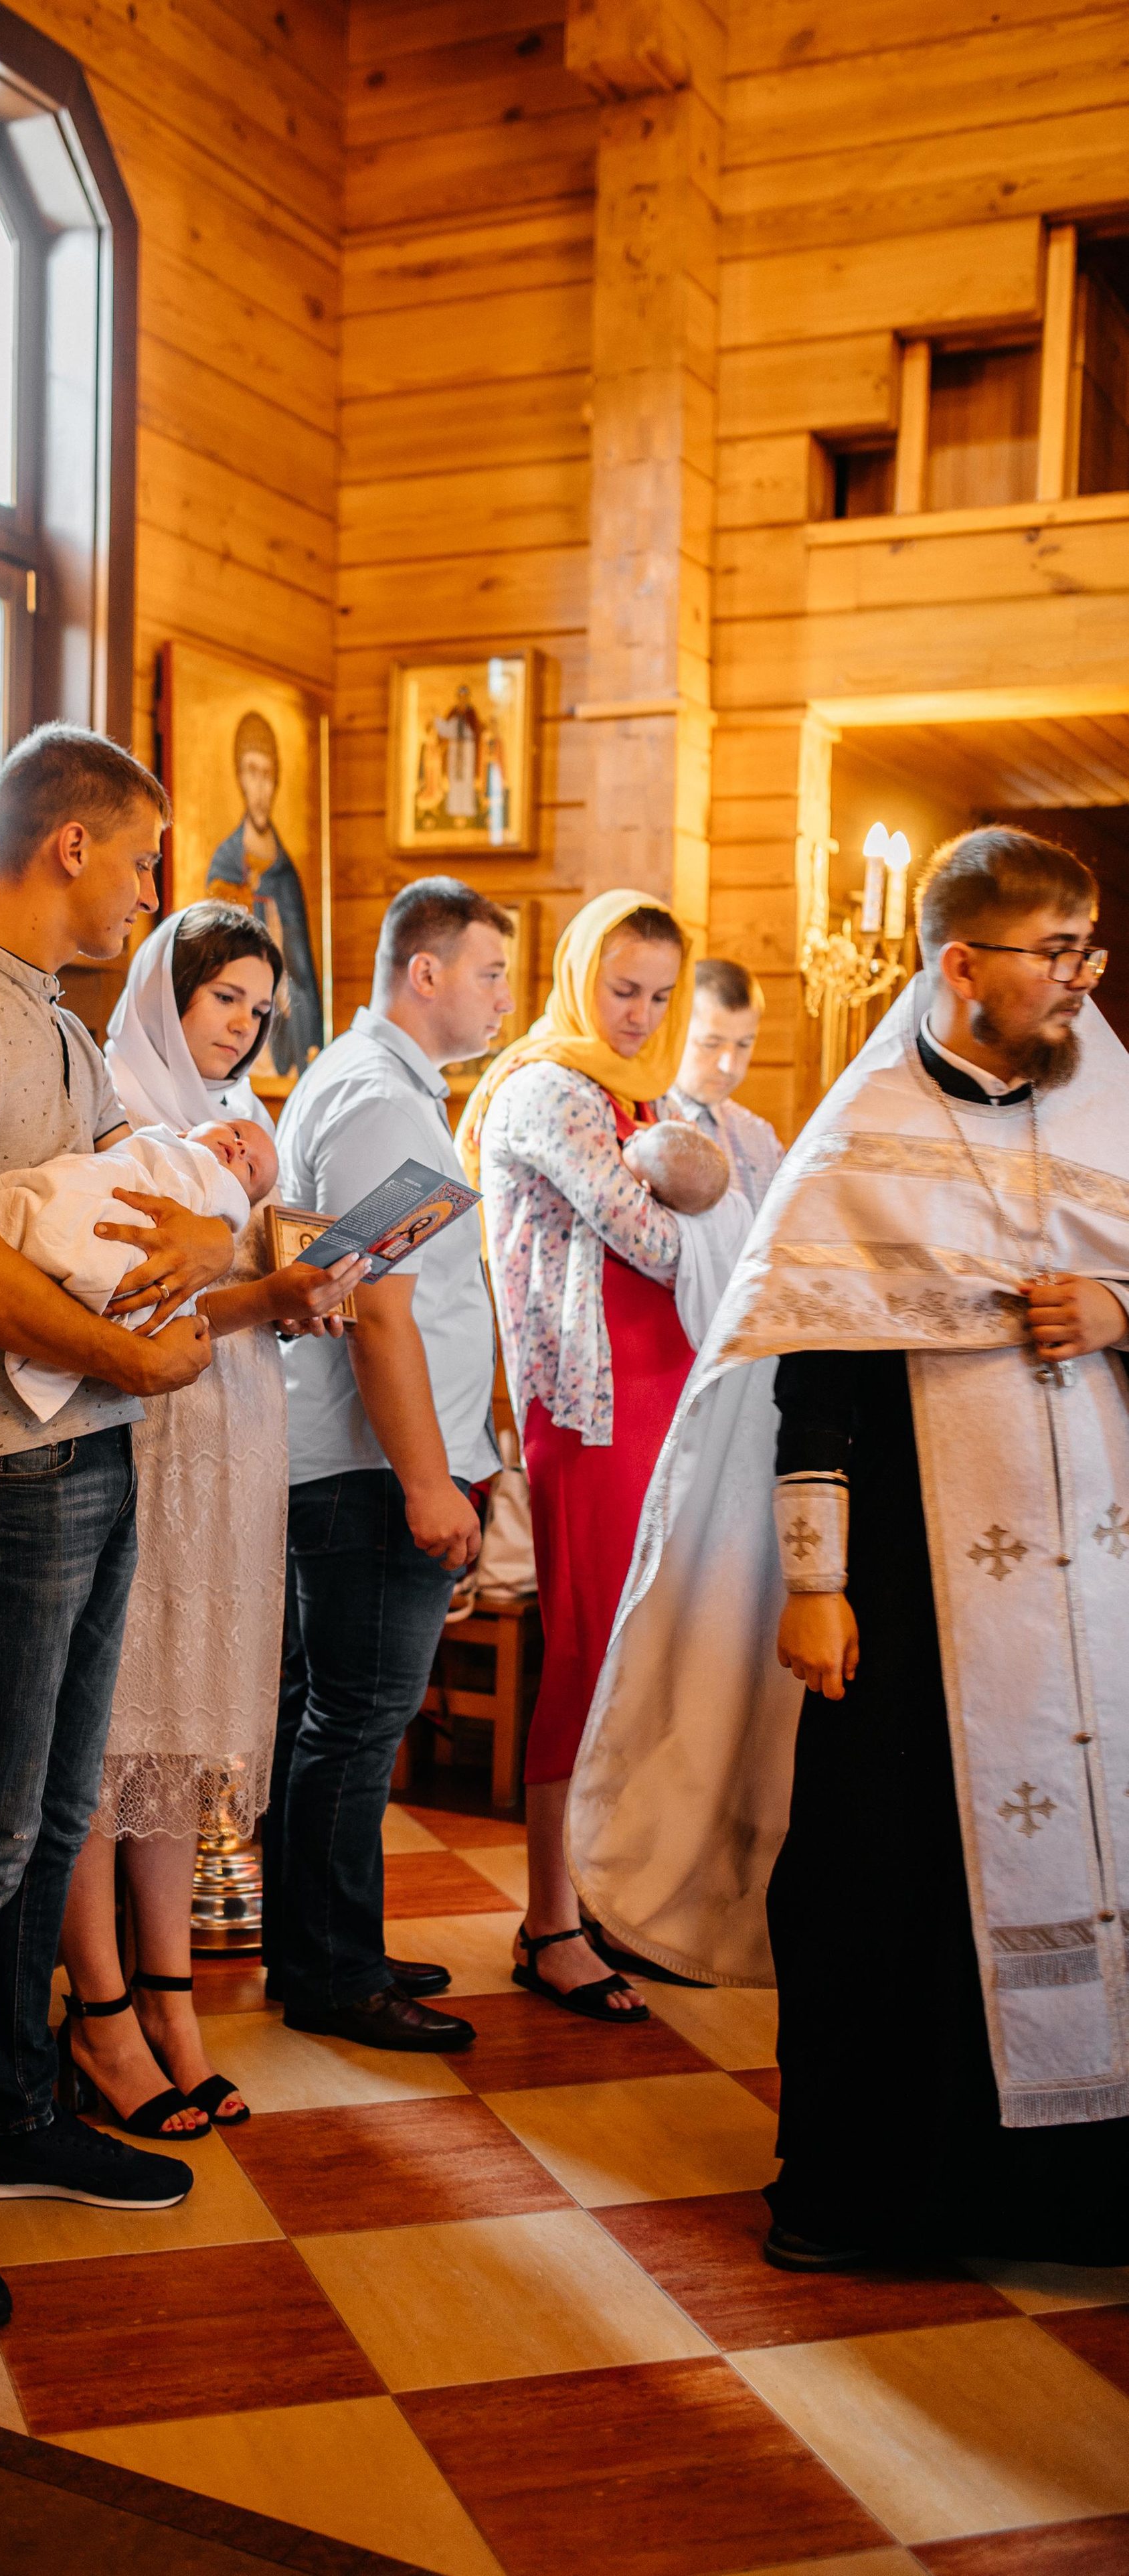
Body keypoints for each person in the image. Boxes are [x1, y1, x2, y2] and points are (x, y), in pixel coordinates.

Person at [572, 827, 1129, 2271]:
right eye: (1053, 954)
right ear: (961, 967)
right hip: (912, 1589)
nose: (1081, 979)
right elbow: (809, 1376)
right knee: (880, 1878)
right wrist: (813, 1585)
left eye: (1087, 950)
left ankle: (1083, 2200)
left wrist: (1118, 1313)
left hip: (1099, 1575)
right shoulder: (863, 1129)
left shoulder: (1105, 1106)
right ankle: (871, 2189)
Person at [0, 725, 237, 2337]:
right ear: (70, 845)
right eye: (142, 857)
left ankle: (17, 2102)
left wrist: (205, 1240)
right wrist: (143, 1351)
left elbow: (129, 1219)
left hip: (90, 1443)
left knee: (58, 1798)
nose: (153, 890)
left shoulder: (67, 1030)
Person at [58, 902, 365, 2138]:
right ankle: (102, 2003)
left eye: (257, 1003)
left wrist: (295, 1291)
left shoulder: (253, 1127)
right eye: (223, 996)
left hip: (234, 1438)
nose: (242, 1023)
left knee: (182, 1747)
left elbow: (234, 1286)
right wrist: (264, 1291)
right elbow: (136, 1308)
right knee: (117, 1731)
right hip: (147, 1434)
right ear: (165, 991)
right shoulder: (123, 1110)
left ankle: (176, 1999)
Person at [265, 879, 512, 2052]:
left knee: (341, 1718)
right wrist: (427, 1480)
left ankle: (331, 1943)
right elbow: (380, 1315)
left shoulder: (379, 1088)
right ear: (425, 972)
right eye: (490, 971)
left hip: (362, 1461)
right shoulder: (381, 1104)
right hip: (371, 1469)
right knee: (355, 1724)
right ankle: (329, 1971)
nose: (504, 995)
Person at [458, 891, 699, 2024]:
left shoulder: (648, 1092)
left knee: (645, 1654)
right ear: (577, 976)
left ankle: (603, 1897)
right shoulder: (548, 1088)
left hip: (669, 1392)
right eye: (622, 988)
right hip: (592, 1407)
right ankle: (547, 1918)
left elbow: (714, 1212)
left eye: (659, 993)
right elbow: (657, 1233)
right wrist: (691, 1185)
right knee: (591, 1649)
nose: (643, 1013)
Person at [0, 1113, 280, 1422]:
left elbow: (188, 1284)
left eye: (250, 1170)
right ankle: (37, 1235)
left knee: (116, 1256)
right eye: (235, 1132)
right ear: (186, 1131)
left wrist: (219, 1232)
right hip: (95, 1191)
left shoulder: (219, 1211)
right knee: (68, 1201)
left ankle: (54, 1257)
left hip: (108, 1413)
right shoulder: (160, 1146)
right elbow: (118, 1169)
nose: (241, 1148)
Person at [205, 712, 324, 1074]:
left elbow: (303, 967)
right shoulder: (227, 862)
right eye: (251, 772)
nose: (260, 787)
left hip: (288, 1031)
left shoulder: (288, 874)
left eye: (268, 775)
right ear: (240, 778)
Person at [661, 957, 784, 1210]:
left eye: (744, 1045)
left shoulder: (761, 1137)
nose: (730, 1066)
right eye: (711, 1044)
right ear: (674, 1031)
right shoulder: (648, 1123)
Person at [620, 1120, 750, 1350]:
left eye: (635, 1147)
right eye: (645, 1133)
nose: (635, 1134)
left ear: (645, 1189)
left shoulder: (660, 1232)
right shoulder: (732, 1207)